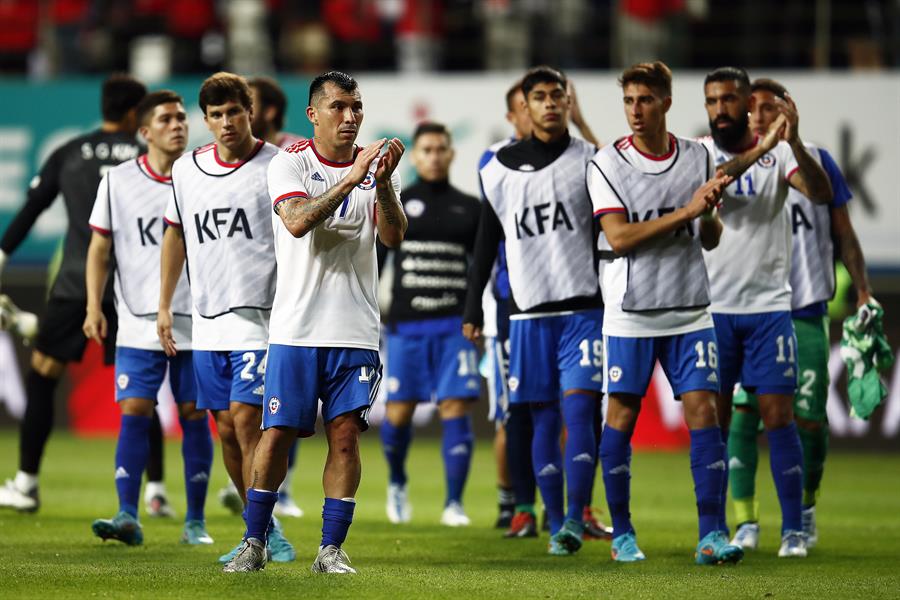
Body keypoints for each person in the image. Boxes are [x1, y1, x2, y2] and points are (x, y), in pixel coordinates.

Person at [221, 71, 406, 574]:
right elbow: (298, 221)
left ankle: (330, 550)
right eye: (339, 106)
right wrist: (352, 177)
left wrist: (382, 184)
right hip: (296, 330)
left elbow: (392, 236)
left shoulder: (376, 167)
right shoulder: (290, 162)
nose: (350, 116)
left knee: (345, 436)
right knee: (277, 433)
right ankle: (254, 542)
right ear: (313, 114)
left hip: (356, 328)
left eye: (356, 107)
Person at [588, 61, 742, 564]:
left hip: (690, 308)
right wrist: (688, 210)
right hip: (631, 312)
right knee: (621, 417)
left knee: (705, 413)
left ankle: (712, 535)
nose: (635, 110)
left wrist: (708, 213)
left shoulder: (699, 156)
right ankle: (623, 534)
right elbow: (619, 238)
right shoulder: (606, 163)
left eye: (646, 100)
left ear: (666, 103)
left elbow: (709, 237)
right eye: (629, 101)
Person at [0, 75, 166, 513]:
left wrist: (2, 254)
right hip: (133, 287)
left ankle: (26, 483)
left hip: (76, 282)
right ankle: (156, 491)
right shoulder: (148, 155)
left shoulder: (70, 152)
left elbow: (33, 208)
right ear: (135, 114)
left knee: (43, 374)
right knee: (140, 388)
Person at [727, 77, 877, 551]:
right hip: (752, 309)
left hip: (804, 310)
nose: (759, 115)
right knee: (742, 415)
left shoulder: (816, 160)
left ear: (788, 111)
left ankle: (805, 509)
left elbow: (843, 232)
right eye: (752, 107)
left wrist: (863, 290)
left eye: (769, 107)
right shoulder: (734, 163)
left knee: (809, 421)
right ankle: (745, 522)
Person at [463, 66, 603, 557]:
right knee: (541, 419)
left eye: (556, 95)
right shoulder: (498, 168)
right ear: (525, 106)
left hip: (583, 309)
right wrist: (472, 307)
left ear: (568, 102)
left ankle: (574, 518)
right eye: (539, 96)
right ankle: (552, 518)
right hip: (526, 314)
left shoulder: (591, 160)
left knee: (580, 412)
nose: (549, 103)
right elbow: (487, 240)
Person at [158, 72, 294, 564]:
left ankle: (259, 534)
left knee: (247, 419)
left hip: (262, 318)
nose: (226, 122)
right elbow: (175, 234)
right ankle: (264, 527)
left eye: (234, 111)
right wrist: (164, 304)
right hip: (207, 321)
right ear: (206, 120)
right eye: (216, 115)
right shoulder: (186, 170)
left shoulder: (279, 165)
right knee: (226, 428)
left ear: (250, 111)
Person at [700, 66, 833, 559]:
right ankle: (722, 528)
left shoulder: (782, 154)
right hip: (714, 310)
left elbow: (820, 193)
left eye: (730, 100)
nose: (721, 109)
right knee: (714, 423)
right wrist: (764, 148)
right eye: (712, 101)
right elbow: (717, 183)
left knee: (780, 418)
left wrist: (793, 143)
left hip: (769, 309)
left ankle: (793, 529)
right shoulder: (700, 152)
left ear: (746, 104)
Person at [83, 90, 214, 546]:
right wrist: (93, 306)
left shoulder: (203, 175)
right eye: (166, 119)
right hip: (138, 320)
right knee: (135, 409)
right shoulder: (117, 181)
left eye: (181, 118)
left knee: (194, 412)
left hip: (196, 319)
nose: (178, 125)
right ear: (144, 132)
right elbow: (100, 248)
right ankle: (127, 515)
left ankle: (195, 521)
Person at [379, 121, 481, 527]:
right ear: (415, 156)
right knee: (399, 413)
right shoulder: (396, 202)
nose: (434, 156)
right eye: (426, 150)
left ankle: (454, 503)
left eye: (441, 149)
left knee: (455, 406)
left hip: (454, 326)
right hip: (406, 326)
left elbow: (480, 269)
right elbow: (377, 263)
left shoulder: (470, 207)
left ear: (451, 154)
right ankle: (397, 483)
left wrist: (476, 315)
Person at [234, 74, 304, 520]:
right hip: (251, 292)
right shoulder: (240, 159)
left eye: (250, 104)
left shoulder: (295, 153)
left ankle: (284, 487)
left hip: (293, 293)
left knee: (285, 401)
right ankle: (252, 482)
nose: (242, 113)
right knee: (245, 407)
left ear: (271, 111)